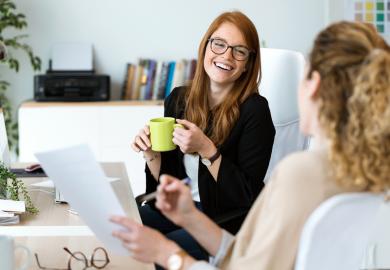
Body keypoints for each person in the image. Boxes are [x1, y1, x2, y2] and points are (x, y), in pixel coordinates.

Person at [112, 21, 390, 269]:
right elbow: (245, 254)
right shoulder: (368, 172)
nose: (226, 55)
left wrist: (168, 254)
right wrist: (189, 216)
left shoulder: (300, 172)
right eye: (218, 44)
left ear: (314, 85)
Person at [130, 11, 275, 260]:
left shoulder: (255, 110)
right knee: (124, 225)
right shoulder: (178, 99)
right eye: (219, 44)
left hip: (223, 222)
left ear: (248, 64)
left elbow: (247, 195)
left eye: (239, 51)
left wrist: (208, 150)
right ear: (205, 46)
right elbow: (167, 184)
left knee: (158, 250)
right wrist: (151, 154)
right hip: (179, 210)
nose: (226, 56)